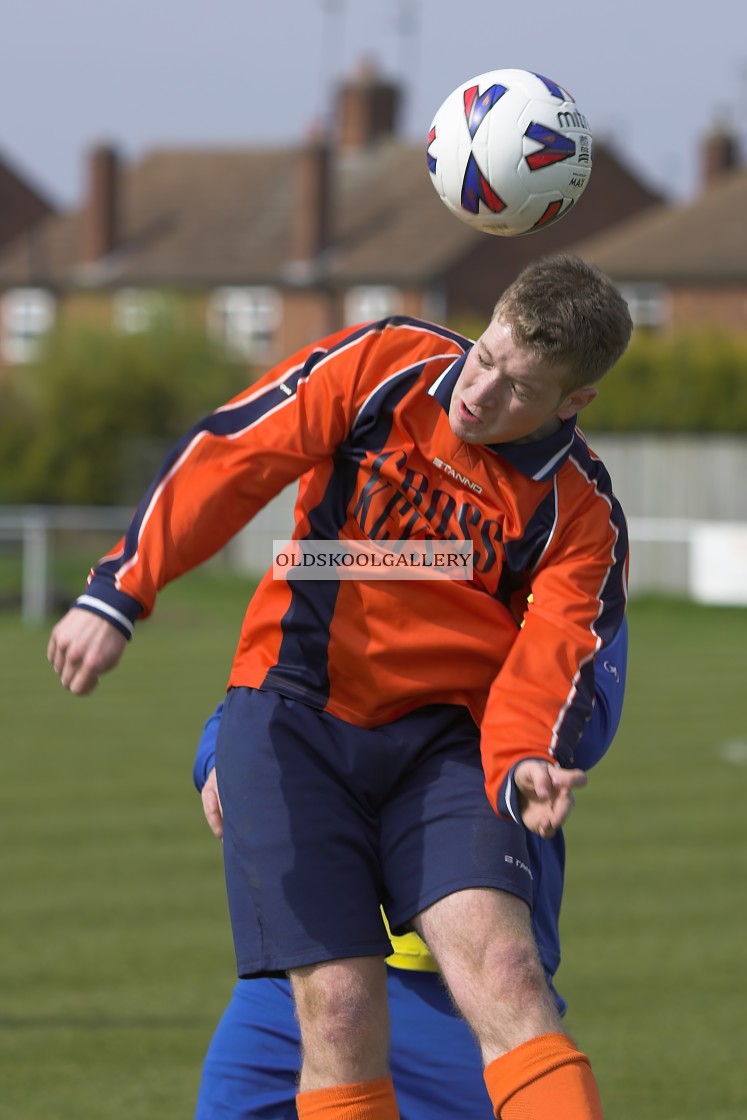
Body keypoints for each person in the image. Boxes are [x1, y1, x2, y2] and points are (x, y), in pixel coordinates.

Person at [48, 253, 633, 1120]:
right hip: (294, 715)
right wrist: (120, 588)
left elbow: (554, 656)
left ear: (572, 404)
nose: (477, 394)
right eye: (483, 358)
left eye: (518, 388)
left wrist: (523, 761)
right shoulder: (385, 366)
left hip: (443, 749)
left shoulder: (580, 512)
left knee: (509, 976)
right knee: (340, 1005)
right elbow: (234, 454)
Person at [192, 621, 628, 1120]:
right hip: (302, 969)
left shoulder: (562, 557)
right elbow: (267, 680)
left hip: (456, 989)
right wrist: (220, 755)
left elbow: (582, 724)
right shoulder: (348, 551)